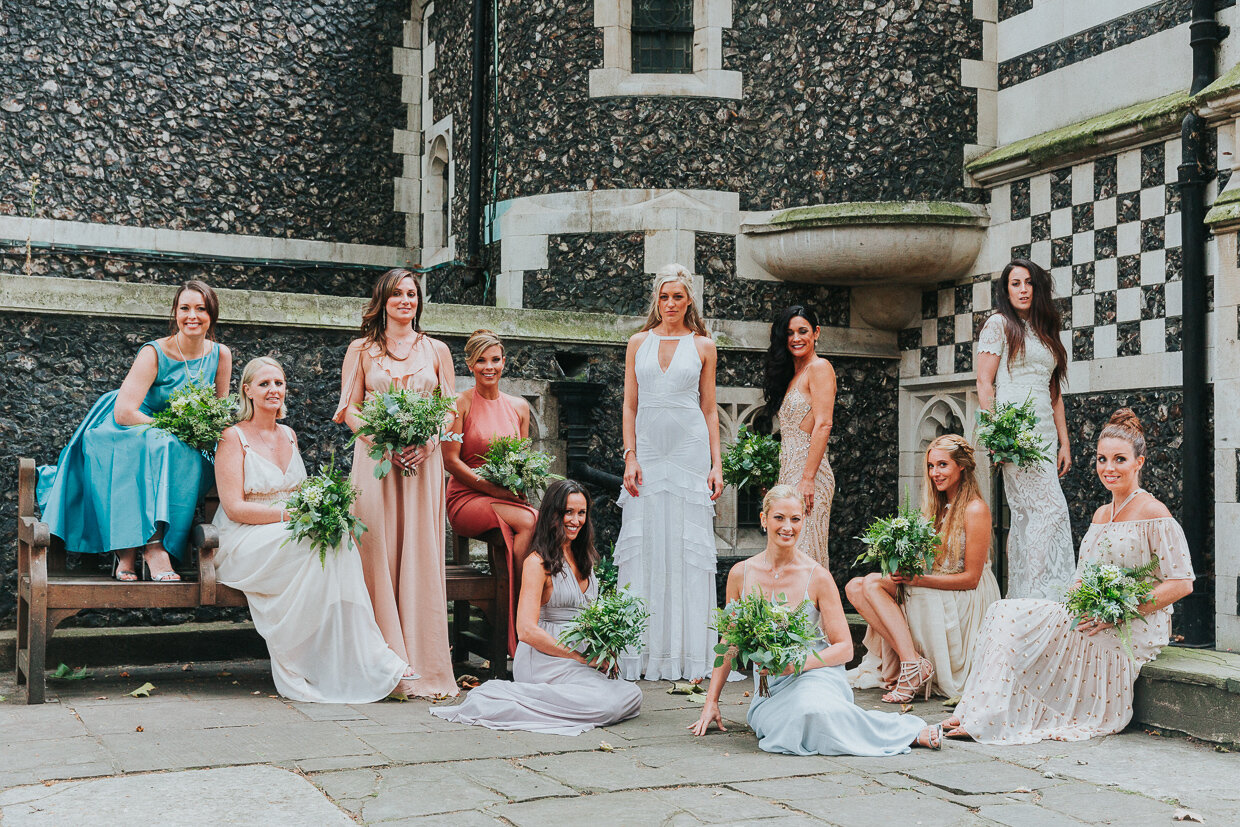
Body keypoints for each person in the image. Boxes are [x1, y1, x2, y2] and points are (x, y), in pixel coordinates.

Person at [942, 409, 1195, 744]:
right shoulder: (1101, 514)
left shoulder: (1153, 511)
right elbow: (1082, 575)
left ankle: (988, 716)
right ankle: (976, 710)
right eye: (1102, 459)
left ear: (1139, 463)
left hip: (1136, 622)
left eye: (1120, 459)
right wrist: (1077, 604)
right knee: (1002, 612)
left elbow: (1181, 583)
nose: (1109, 468)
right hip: (1091, 611)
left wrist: (1118, 611)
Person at [212, 357, 411, 702]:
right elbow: (234, 508)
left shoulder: (288, 434)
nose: (273, 389)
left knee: (339, 537)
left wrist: (322, 509)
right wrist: (290, 516)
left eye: (279, 383)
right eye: (264, 384)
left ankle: (360, 658)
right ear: (247, 391)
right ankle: (311, 660)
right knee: (316, 546)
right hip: (244, 537)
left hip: (292, 529)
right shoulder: (232, 437)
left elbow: (301, 490)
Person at [690, 486, 940, 755]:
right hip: (770, 686)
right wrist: (711, 701)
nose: (788, 527)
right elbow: (730, 641)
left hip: (816, 674)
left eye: (796, 519)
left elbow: (844, 648)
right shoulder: (741, 574)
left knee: (812, 709)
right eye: (779, 518)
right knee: (791, 724)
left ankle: (906, 733)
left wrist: (796, 665)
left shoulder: (817, 576)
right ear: (763, 519)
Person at [37, 280, 232, 582]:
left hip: (181, 437)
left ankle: (147, 546)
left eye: (200, 309)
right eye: (185, 308)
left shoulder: (221, 355)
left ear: (212, 315)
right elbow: (124, 411)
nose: (192, 316)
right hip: (134, 424)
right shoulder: (154, 352)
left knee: (186, 453)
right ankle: (146, 546)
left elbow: (219, 414)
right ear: (175, 313)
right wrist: (173, 428)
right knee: (161, 444)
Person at [430, 480, 642, 735]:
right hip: (544, 659)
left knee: (631, 694)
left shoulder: (584, 557)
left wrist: (604, 650)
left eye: (581, 513)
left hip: (580, 658)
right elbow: (526, 631)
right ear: (554, 514)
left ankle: (564, 700)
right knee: (608, 704)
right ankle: (513, 697)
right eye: (568, 512)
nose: (576, 520)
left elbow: (590, 618)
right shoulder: (537, 562)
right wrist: (580, 657)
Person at [335, 268, 457, 698]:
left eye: (412, 294)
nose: (406, 300)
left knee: (419, 553)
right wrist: (383, 440)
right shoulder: (362, 350)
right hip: (376, 464)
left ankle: (423, 662)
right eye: (398, 294)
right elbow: (349, 410)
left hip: (422, 467)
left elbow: (448, 411)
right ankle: (378, 661)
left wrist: (426, 442)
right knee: (377, 553)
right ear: (382, 300)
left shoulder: (437, 350)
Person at [616, 263, 725, 681]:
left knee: (686, 544)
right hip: (647, 451)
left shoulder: (703, 346)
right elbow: (629, 405)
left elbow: (710, 408)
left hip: (689, 450)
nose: (670, 304)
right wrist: (630, 455)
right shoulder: (637, 342)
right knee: (644, 540)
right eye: (664, 297)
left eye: (678, 296)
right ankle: (641, 651)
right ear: (656, 300)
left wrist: (717, 464)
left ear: (689, 300)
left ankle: (690, 655)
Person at [846, 435, 1000, 701]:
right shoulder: (936, 509)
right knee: (854, 587)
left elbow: (971, 579)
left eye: (942, 465)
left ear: (961, 466)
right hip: (936, 584)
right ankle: (914, 661)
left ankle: (911, 665)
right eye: (931, 466)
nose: (935, 473)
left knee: (871, 583)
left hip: (965, 598)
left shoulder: (975, 509)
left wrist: (917, 580)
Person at [976, 258, 1075, 599]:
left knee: (1032, 516)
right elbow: (984, 384)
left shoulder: (1045, 329)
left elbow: (1055, 392)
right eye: (1015, 283)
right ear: (1006, 290)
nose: (1022, 289)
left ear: (1037, 287)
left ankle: (1027, 597)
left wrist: (1064, 442)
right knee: (1050, 509)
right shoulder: (998, 324)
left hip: (1046, 432)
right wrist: (996, 434)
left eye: (1028, 282)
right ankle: (1037, 593)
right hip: (1016, 431)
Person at [443, 330, 538, 656]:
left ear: (504, 362)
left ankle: (515, 612)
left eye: (495, 359)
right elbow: (450, 462)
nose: (489, 366)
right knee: (530, 522)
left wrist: (517, 487)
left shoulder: (520, 407)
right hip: (465, 499)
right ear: (470, 364)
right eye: (481, 360)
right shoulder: (459, 404)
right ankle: (521, 615)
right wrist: (493, 489)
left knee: (537, 519)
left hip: (505, 498)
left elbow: (523, 464)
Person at [764, 305, 836, 566]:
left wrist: (807, 478)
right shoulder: (794, 374)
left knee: (804, 551)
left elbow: (824, 424)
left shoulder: (820, 368)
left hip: (810, 475)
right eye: (790, 332)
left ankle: (809, 607)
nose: (796, 338)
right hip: (789, 473)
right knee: (785, 550)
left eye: (803, 331)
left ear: (816, 333)